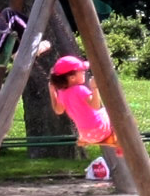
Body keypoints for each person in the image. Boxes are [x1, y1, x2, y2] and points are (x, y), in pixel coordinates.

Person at [47, 54, 126, 185]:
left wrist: (52, 91)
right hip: (99, 128)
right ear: (72, 77)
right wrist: (95, 88)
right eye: (82, 72)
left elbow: (58, 110)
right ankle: (120, 143)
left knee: (104, 117)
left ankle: (110, 141)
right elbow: (95, 106)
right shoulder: (81, 89)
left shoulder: (62, 93)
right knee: (113, 110)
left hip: (86, 135)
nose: (85, 73)